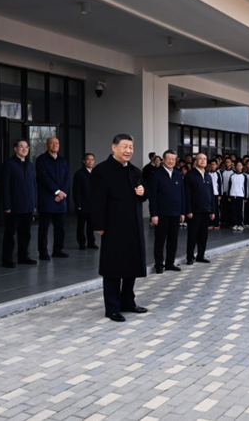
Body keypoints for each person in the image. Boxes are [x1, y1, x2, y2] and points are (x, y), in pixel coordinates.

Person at [91, 134, 149, 322]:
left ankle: (128, 302)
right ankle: (112, 308)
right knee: (113, 268)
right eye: (124, 147)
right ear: (114, 147)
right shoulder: (102, 170)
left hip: (133, 226)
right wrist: (99, 225)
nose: (128, 151)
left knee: (131, 265)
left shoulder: (135, 171)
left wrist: (143, 192)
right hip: (113, 227)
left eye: (131, 147)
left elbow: (144, 193)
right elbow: (96, 200)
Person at [1, 140, 38, 268]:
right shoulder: (9, 164)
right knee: (10, 234)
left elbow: (34, 185)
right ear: (15, 149)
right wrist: (7, 205)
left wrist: (34, 203)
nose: (24, 149)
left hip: (28, 206)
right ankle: (7, 259)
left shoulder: (29, 165)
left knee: (25, 234)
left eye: (26, 147)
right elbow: (5, 186)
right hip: (14, 206)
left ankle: (23, 257)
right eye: (21, 147)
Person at [150, 149, 185, 274]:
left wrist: (182, 212)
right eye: (168, 159)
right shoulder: (157, 174)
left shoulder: (178, 174)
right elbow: (153, 196)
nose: (171, 161)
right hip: (161, 214)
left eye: (173, 159)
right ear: (163, 160)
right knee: (160, 240)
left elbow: (182, 195)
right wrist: (154, 214)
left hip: (175, 213)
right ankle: (159, 264)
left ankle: (170, 263)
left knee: (173, 240)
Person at [36, 137, 70, 260]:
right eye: (52, 143)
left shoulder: (63, 160)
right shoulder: (41, 160)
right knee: (44, 228)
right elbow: (43, 178)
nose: (55, 145)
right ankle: (43, 252)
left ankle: (58, 250)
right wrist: (57, 191)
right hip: (47, 198)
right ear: (47, 145)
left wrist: (62, 193)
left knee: (60, 227)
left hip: (61, 199)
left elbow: (67, 177)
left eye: (57, 143)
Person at [185, 153, 215, 264]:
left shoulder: (208, 176)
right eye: (200, 159)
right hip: (194, 211)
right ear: (196, 161)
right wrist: (188, 210)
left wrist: (213, 210)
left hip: (206, 209)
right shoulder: (190, 175)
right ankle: (190, 257)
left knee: (203, 235)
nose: (203, 160)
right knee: (193, 234)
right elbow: (187, 194)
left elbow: (211, 194)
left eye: (205, 159)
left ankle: (201, 255)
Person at [73, 153, 98, 250]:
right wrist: (78, 204)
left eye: (92, 159)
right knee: (81, 225)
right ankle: (82, 243)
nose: (90, 161)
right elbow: (76, 190)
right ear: (84, 161)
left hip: (92, 204)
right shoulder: (79, 174)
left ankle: (91, 242)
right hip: (82, 204)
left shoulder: (95, 173)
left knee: (91, 225)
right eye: (88, 159)